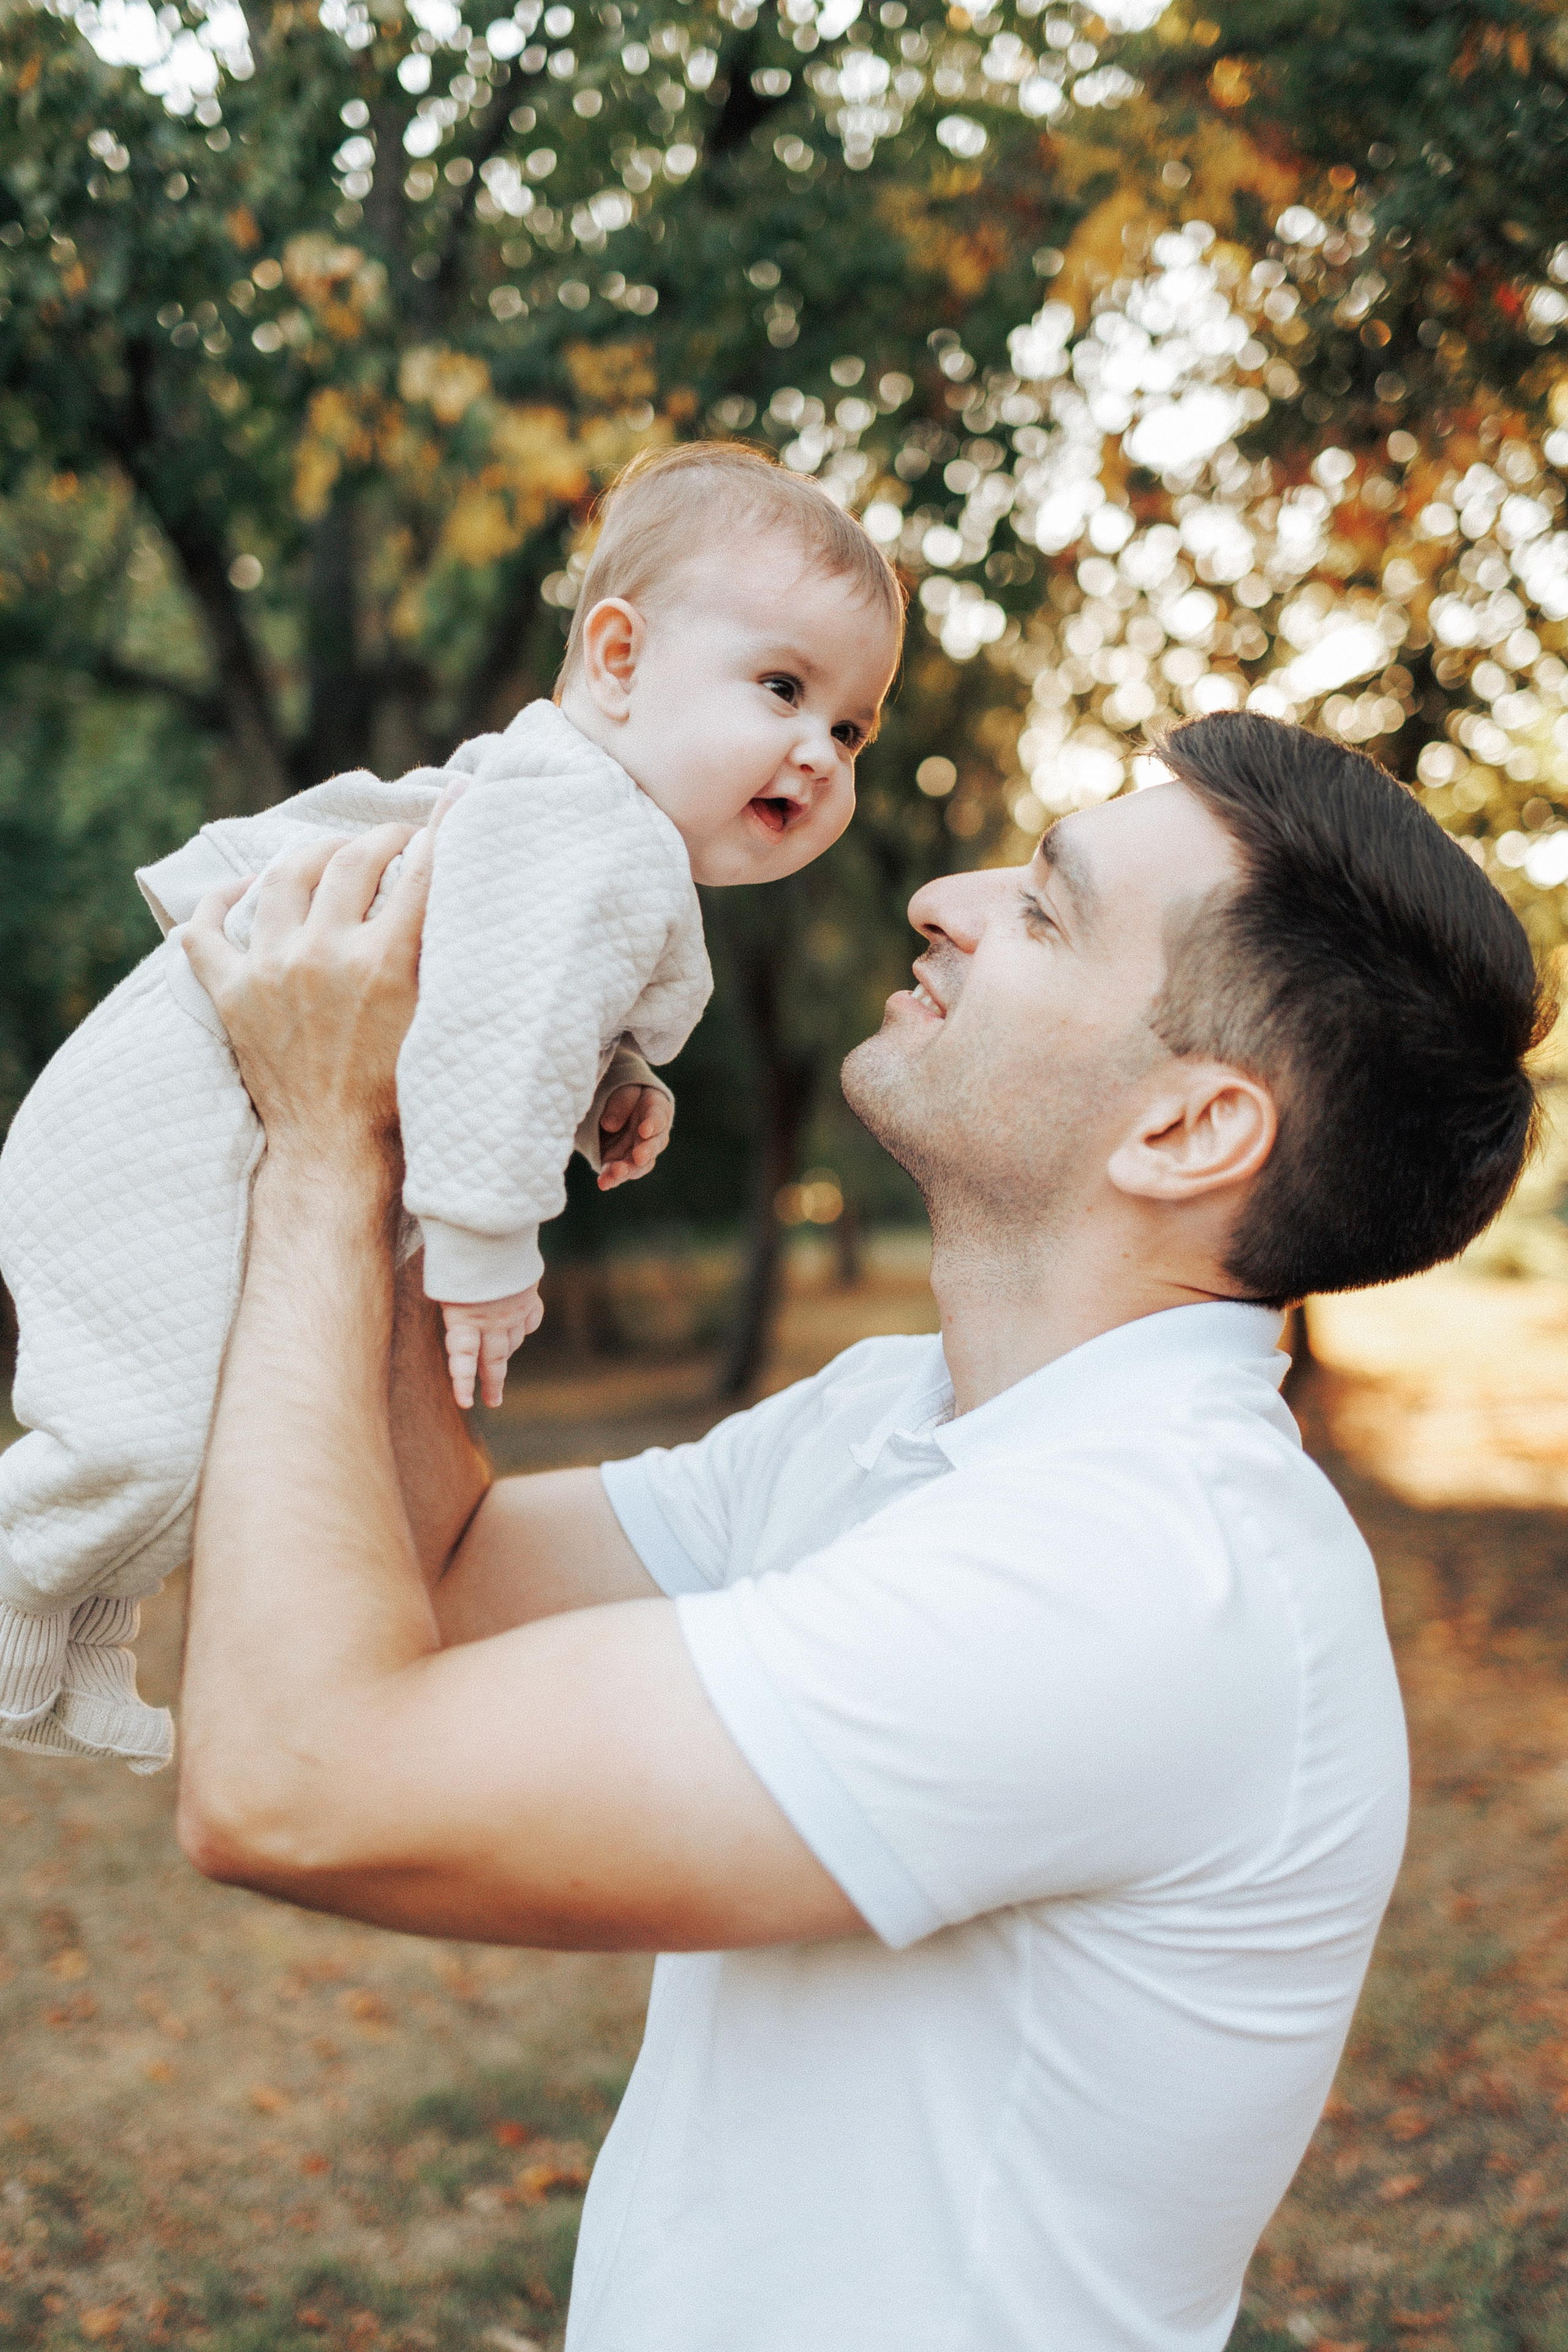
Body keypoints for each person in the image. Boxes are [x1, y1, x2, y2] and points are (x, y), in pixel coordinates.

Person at [174, 710, 1546, 2352]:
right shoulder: (905, 1416)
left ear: (1187, 1129)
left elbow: (295, 1788)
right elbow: (448, 1576)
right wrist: (405, 1120)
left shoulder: (1138, 1582)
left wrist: (320, 1159)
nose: (945, 901)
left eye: (1044, 912)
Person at [0, 443, 902, 1773]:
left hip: (212, 1114)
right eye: (781, 686)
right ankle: (19, 1595)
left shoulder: (587, 820)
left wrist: (611, 1085)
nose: (816, 754)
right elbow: (494, 1031)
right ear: (615, 660)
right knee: (143, 1428)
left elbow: (505, 998)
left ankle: (78, 1645)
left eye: (849, 729)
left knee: (209, 1420)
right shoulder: (589, 830)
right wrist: (483, 1251)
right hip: (171, 1112)